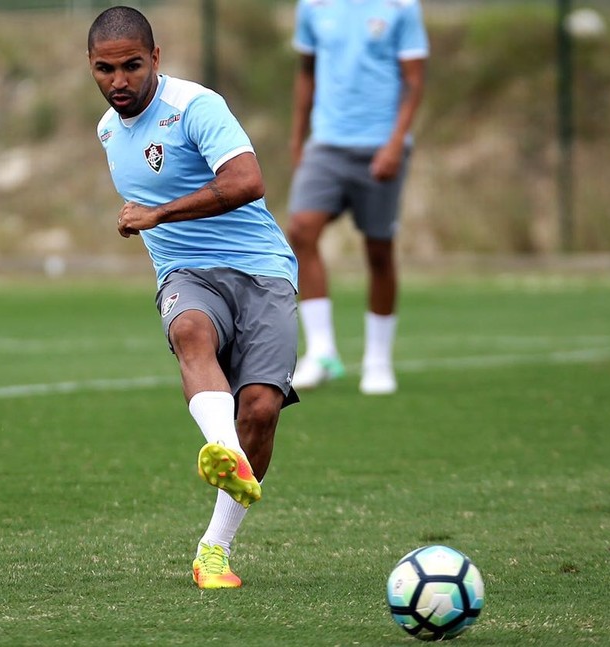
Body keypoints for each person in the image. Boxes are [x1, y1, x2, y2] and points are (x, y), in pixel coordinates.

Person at [88, 6, 300, 589]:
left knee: (260, 409)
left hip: (262, 269)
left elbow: (247, 181)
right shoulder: (108, 130)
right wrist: (163, 232)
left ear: (155, 58)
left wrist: (158, 213)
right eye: (105, 69)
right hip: (186, 274)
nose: (119, 81)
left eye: (132, 65)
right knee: (190, 333)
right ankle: (222, 448)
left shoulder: (196, 107)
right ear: (91, 67)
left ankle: (214, 549)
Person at [286, 0, 428, 395]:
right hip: (327, 144)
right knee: (301, 230)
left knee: (379, 249)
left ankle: (378, 361)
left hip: (380, 145)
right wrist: (298, 139)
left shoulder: (402, 7)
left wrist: (396, 143)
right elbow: (306, 72)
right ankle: (322, 352)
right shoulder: (312, 6)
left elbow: (414, 80)